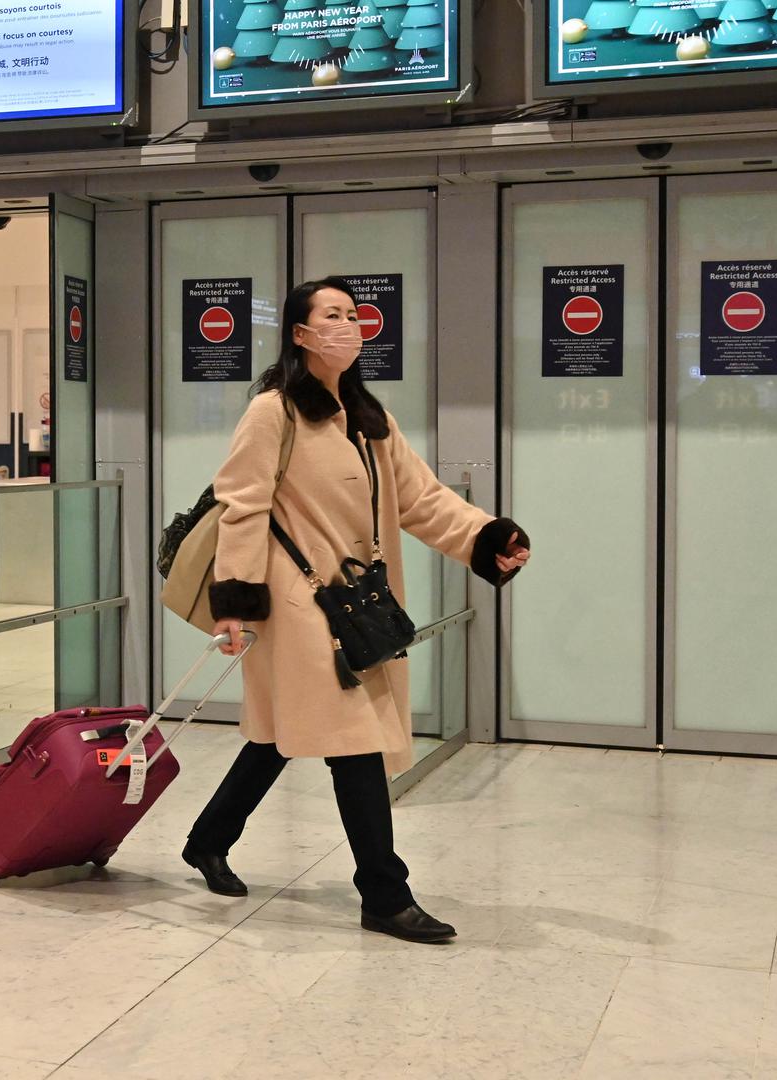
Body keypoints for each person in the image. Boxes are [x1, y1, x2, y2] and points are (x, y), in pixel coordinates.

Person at [183, 277, 531, 944]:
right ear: (300, 333)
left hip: (354, 599)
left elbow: (422, 499)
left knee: (279, 731)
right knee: (354, 741)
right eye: (331, 315)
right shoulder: (274, 411)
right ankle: (384, 894)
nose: (347, 325)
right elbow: (242, 507)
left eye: (352, 314)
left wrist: (485, 537)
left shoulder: (369, 418)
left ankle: (207, 839)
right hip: (296, 603)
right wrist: (233, 604)